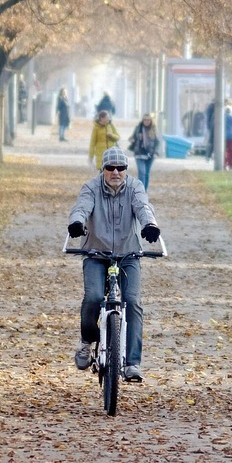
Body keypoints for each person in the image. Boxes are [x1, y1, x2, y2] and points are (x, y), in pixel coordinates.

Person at [67, 147, 161, 382]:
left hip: (128, 254)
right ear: (103, 170)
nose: (116, 172)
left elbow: (142, 206)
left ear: (126, 170)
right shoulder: (91, 187)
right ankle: (87, 343)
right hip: (96, 253)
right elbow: (81, 207)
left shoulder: (135, 187)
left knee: (133, 300)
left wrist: (149, 224)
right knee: (93, 296)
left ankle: (132, 363)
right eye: (111, 168)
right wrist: (77, 223)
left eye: (121, 168)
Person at [128, 114, 161, 190]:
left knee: (146, 173)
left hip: (150, 154)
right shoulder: (138, 128)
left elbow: (157, 142)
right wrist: (132, 140)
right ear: (142, 120)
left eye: (148, 120)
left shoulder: (154, 129)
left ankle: (144, 190)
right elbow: (133, 137)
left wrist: (155, 152)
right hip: (139, 153)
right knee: (142, 173)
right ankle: (141, 191)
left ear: (151, 121)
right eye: (145, 120)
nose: (146, 121)